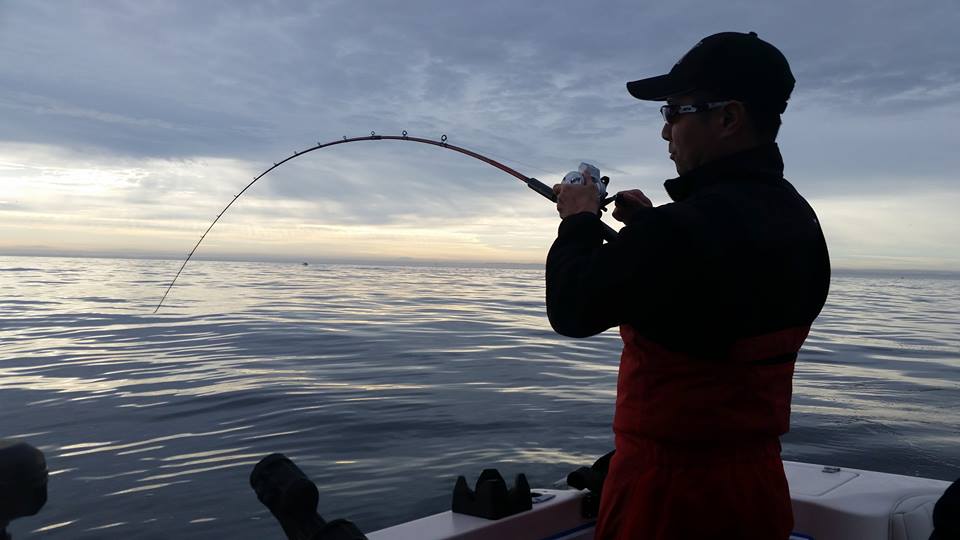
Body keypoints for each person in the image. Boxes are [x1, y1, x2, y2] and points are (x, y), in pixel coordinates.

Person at [547, 31, 830, 539]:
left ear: (728, 118)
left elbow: (572, 308)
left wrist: (580, 220)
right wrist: (648, 227)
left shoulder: (676, 234)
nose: (665, 132)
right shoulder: (799, 219)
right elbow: (718, 284)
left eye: (674, 112)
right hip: (758, 493)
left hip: (667, 500)